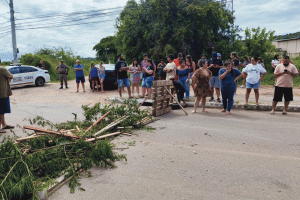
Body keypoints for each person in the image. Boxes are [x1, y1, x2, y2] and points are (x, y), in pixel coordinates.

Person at [0, 59, 14, 133]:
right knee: (1, 110)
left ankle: (4, 125)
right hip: (2, 93)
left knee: (1, 111)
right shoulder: (2, 69)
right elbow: (11, 76)